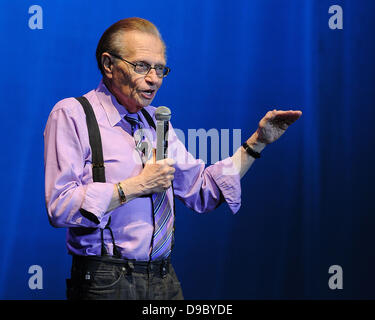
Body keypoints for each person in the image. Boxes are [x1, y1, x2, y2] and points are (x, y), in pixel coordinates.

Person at [44, 17, 302, 300]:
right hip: (108, 280)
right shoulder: (73, 114)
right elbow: (60, 206)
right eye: (141, 66)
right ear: (108, 65)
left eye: (159, 69)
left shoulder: (156, 122)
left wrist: (257, 142)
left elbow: (204, 190)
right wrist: (136, 186)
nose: (153, 79)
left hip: (163, 278)